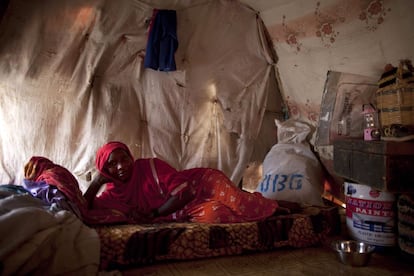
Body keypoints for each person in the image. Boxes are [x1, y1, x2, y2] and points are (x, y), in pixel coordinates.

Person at [84, 141, 281, 224]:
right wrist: (95, 184)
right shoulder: (113, 195)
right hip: (184, 209)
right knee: (218, 215)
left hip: (203, 183)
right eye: (112, 164)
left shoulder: (149, 167)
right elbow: (85, 209)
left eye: (124, 159)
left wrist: (154, 214)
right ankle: (262, 207)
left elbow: (185, 191)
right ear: (104, 170)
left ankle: (279, 207)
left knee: (239, 203)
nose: (121, 167)